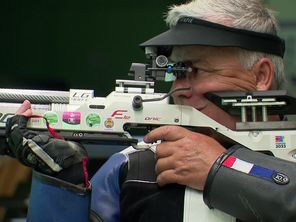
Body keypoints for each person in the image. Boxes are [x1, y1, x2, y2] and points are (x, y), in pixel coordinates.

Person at [3, 0, 296, 221]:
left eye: (195, 69)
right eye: (176, 73)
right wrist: (61, 184)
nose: (179, 88)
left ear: (260, 76)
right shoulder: (134, 167)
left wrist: (219, 169)